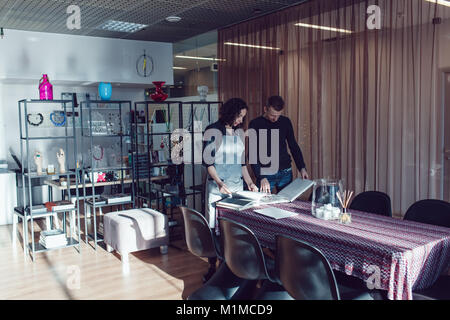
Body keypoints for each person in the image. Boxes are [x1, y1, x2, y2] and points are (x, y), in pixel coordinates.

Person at [202, 98, 258, 282]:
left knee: (233, 229)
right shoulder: (213, 131)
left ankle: (232, 267)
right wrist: (219, 182)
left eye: (243, 117)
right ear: (231, 113)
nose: (241, 120)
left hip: (236, 188)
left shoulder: (239, 133)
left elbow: (242, 165)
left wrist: (250, 183)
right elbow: (208, 164)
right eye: (239, 116)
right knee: (214, 230)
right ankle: (213, 267)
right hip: (218, 189)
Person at [249, 95, 309, 194]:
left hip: (285, 172)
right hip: (265, 174)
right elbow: (252, 154)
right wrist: (261, 177)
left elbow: (293, 146)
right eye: (273, 115)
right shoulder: (255, 124)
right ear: (265, 109)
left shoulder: (285, 122)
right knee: (261, 205)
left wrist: (302, 167)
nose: (275, 119)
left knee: (286, 205)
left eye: (278, 115)